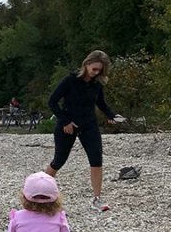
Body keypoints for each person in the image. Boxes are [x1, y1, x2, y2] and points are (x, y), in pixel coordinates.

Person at [46, 50, 124, 211]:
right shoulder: (70, 80)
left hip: (89, 125)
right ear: (87, 64)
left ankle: (97, 199)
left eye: (100, 71)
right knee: (59, 160)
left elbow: (101, 103)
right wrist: (65, 121)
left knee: (96, 159)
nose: (96, 73)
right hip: (67, 125)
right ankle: (39, 191)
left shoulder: (97, 84)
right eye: (94, 69)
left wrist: (112, 115)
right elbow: (52, 102)